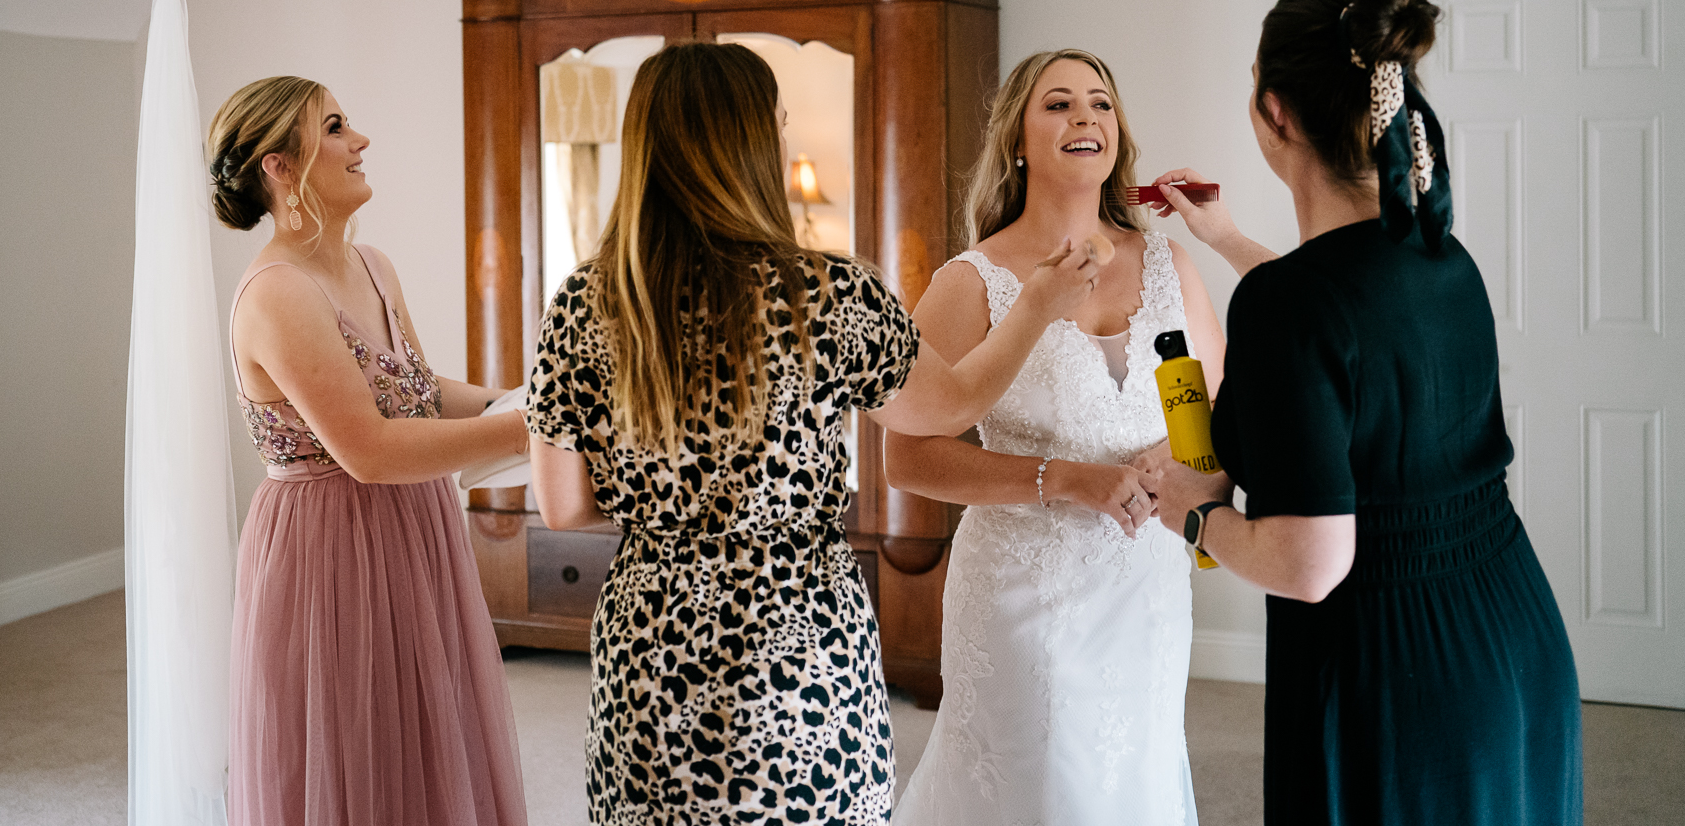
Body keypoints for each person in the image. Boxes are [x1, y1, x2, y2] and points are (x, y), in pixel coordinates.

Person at [525, 42, 1097, 825]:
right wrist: (1034, 305)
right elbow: (952, 406)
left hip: (649, 642)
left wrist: (675, 519)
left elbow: (560, 508)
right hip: (799, 639)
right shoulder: (827, 293)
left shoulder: (585, 302)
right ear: (760, 139)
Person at [1144, 0, 1582, 825]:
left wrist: (1193, 513)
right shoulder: (1438, 255)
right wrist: (1227, 237)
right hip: (1513, 633)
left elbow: (1311, 568)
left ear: (1275, 111)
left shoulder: (1288, 307)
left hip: (1394, 668)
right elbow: (1340, 319)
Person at [889, 48, 1225, 826]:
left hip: (1146, 587)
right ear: (1018, 138)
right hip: (1022, 595)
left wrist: (1179, 456)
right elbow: (908, 456)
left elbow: (1222, 406)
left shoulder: (1172, 265)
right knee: (1041, 791)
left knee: (1134, 778)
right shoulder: (972, 281)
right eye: (1060, 104)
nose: (1085, 117)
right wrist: (1064, 479)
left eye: (1101, 103)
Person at [210, 76, 530, 826]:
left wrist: (513, 399)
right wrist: (530, 430)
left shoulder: (373, 264)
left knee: (422, 733)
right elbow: (374, 450)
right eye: (335, 126)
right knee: (352, 745)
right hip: (331, 543)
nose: (360, 141)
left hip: (412, 526)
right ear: (279, 167)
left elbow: (412, 392)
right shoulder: (278, 292)